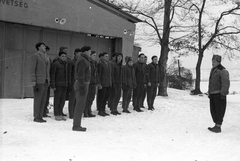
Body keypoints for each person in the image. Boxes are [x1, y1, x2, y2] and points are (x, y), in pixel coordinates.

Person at [208, 55, 230, 133]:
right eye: (212, 61)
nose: (212, 63)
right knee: (213, 110)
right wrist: (209, 92)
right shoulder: (213, 70)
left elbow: (225, 83)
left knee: (219, 111)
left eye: (214, 62)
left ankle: (218, 126)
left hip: (219, 94)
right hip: (213, 94)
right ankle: (216, 125)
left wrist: (223, 94)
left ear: (218, 62)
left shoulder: (223, 71)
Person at [30, 42, 50, 123]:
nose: (44, 47)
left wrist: (48, 79)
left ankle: (41, 115)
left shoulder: (46, 56)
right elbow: (32, 69)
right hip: (38, 81)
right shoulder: (36, 56)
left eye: (45, 45)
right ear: (38, 47)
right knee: (38, 99)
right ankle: (36, 116)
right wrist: (33, 81)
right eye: (42, 46)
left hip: (45, 81)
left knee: (43, 99)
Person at [72, 46, 91, 132]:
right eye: (89, 51)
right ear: (86, 52)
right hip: (81, 84)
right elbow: (80, 74)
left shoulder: (84, 59)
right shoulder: (83, 60)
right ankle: (76, 125)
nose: (90, 53)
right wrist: (82, 86)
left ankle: (77, 124)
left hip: (82, 84)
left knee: (80, 105)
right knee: (79, 105)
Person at [51, 51, 68, 121]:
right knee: (57, 100)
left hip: (64, 85)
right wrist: (53, 85)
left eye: (65, 56)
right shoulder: (56, 64)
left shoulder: (66, 64)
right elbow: (53, 75)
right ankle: (56, 114)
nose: (64, 58)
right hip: (58, 85)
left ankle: (60, 113)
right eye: (62, 56)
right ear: (59, 57)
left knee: (62, 100)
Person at [68, 48, 82, 119]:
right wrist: (70, 83)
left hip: (79, 82)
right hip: (73, 82)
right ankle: (71, 113)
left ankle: (75, 112)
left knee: (77, 99)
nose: (80, 55)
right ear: (75, 53)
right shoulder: (72, 62)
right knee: (72, 99)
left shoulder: (80, 61)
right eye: (79, 53)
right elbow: (70, 73)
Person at [97, 52, 112, 116]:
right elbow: (99, 74)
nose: (107, 57)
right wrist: (99, 83)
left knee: (105, 98)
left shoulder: (108, 64)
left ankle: (103, 109)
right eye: (106, 56)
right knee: (101, 98)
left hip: (108, 83)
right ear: (102, 57)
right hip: (103, 84)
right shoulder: (100, 64)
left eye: (108, 56)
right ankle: (100, 110)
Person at [84, 51, 98, 118]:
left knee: (92, 97)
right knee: (87, 97)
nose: (94, 57)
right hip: (89, 82)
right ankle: (85, 111)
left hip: (94, 82)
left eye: (95, 55)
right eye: (93, 55)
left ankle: (89, 110)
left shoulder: (95, 63)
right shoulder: (88, 62)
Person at [43, 46, 52, 117]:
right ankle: (42, 111)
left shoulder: (48, 58)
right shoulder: (42, 58)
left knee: (47, 96)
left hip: (48, 79)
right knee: (43, 96)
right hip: (43, 79)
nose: (47, 53)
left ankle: (45, 110)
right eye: (46, 51)